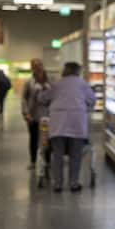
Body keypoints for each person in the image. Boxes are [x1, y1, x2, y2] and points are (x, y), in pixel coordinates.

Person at [42, 62, 95, 192]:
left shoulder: (57, 84)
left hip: (58, 125)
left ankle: (58, 184)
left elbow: (43, 98)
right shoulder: (83, 84)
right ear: (78, 71)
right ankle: (74, 183)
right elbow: (92, 100)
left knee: (58, 155)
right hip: (77, 124)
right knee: (76, 155)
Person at [21, 59, 52, 170]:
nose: (38, 67)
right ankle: (33, 161)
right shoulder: (29, 82)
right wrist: (26, 113)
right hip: (33, 116)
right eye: (35, 66)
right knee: (33, 139)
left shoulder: (51, 81)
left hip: (48, 116)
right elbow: (24, 99)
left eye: (40, 65)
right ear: (32, 68)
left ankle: (48, 161)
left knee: (47, 139)